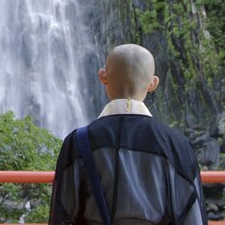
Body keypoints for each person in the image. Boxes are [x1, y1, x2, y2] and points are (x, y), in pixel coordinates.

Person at [49, 44, 208, 225]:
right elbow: (193, 217)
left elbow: (60, 215)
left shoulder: (77, 142)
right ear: (152, 83)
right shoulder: (177, 145)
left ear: (103, 76)